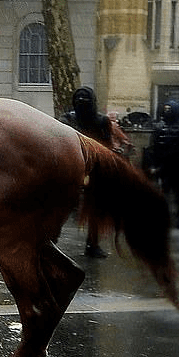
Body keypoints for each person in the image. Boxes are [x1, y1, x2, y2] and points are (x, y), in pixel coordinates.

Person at [60, 86, 114, 257]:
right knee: (62, 205)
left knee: (94, 208)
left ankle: (92, 244)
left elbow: (107, 146)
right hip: (73, 168)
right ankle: (52, 239)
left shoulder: (101, 121)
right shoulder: (67, 119)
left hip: (91, 168)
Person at [149, 100, 179, 229]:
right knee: (162, 193)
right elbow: (154, 148)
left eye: (170, 108)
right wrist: (153, 165)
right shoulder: (159, 127)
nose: (167, 111)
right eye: (166, 108)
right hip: (164, 166)